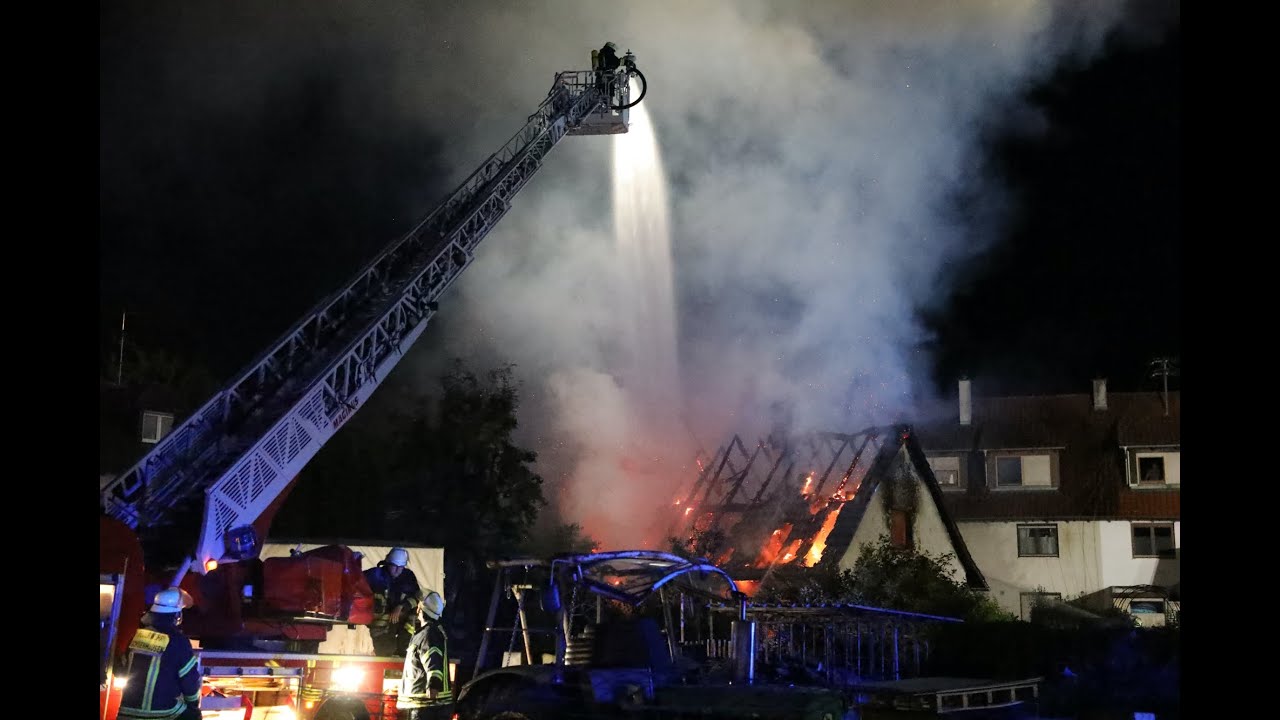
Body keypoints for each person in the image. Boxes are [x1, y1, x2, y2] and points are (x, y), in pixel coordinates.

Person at [118, 587, 202, 720]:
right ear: (177, 615)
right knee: (192, 715)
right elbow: (190, 681)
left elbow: (120, 671)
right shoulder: (177, 641)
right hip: (163, 712)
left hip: (126, 710)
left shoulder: (136, 636)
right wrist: (194, 706)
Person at [397, 591, 451, 720]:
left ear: (420, 610)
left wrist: (433, 685)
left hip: (425, 706)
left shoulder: (428, 634)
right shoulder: (428, 632)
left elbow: (433, 659)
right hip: (425, 704)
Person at [364, 547, 422, 657]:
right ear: (387, 563)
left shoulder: (408, 577)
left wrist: (402, 606)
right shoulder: (375, 575)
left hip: (404, 626)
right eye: (394, 566)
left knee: (405, 654)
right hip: (381, 628)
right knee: (384, 655)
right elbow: (357, 585)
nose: (397, 570)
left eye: (401, 567)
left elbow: (417, 597)